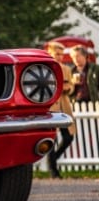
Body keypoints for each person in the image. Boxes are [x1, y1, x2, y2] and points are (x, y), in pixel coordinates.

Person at [45, 41, 75, 178]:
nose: (60, 57)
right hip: (51, 107)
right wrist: (62, 87)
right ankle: (53, 171)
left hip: (64, 106)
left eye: (62, 54)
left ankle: (53, 161)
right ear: (50, 53)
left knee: (69, 137)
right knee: (52, 138)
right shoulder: (46, 68)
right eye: (57, 54)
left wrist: (68, 88)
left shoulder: (66, 69)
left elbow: (71, 87)